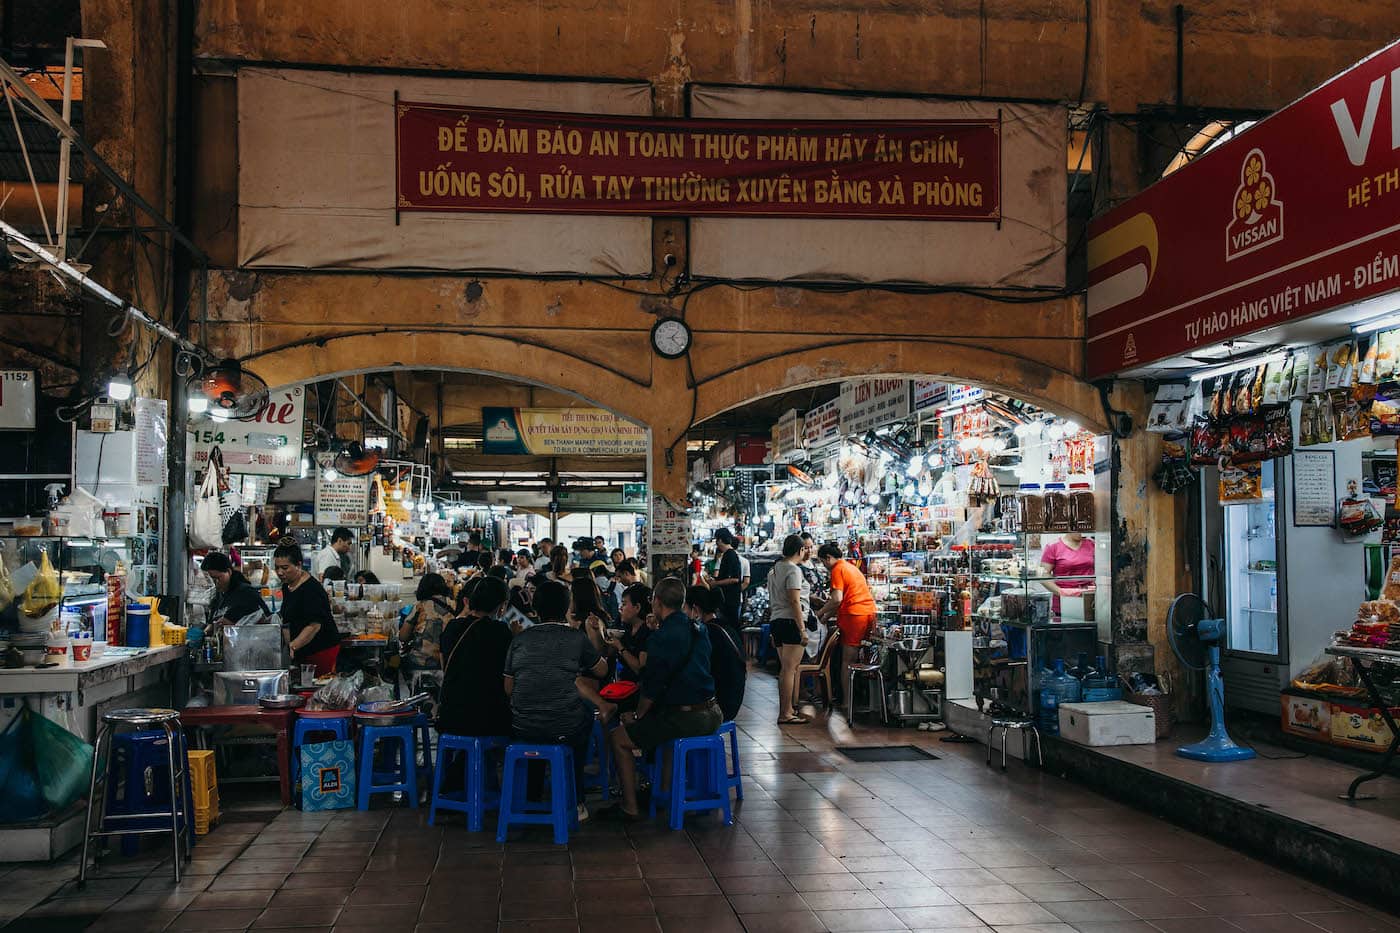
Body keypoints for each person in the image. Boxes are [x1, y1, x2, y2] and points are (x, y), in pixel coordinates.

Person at [599, 577, 721, 822]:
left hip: (686, 717)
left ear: (656, 602)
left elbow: (651, 689)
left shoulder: (660, 638)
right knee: (662, 731)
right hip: (713, 711)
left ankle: (629, 807)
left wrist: (636, 716)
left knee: (619, 737)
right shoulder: (698, 628)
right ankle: (663, 793)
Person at [503, 579, 609, 820]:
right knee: (582, 721)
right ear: (566, 608)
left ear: (536, 609)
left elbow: (508, 688)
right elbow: (601, 671)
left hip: (523, 726)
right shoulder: (575, 638)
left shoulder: (519, 639)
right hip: (565, 726)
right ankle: (577, 798)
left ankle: (532, 796)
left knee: (539, 724)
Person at [437, 576, 513, 738]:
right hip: (487, 719)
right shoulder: (501, 632)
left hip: (449, 716)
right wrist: (518, 637)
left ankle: (462, 759)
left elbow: (445, 667)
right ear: (502, 606)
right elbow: (508, 680)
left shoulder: (452, 627)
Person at [817, 543, 878, 701]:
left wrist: (821, 612)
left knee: (847, 661)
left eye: (823, 562)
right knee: (859, 658)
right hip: (868, 613)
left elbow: (837, 599)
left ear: (829, 558)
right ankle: (858, 699)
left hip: (854, 616)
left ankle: (847, 701)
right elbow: (842, 600)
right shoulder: (850, 567)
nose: (824, 566)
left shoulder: (837, 569)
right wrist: (825, 616)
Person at [273, 539, 342, 675]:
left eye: (285, 568)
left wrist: (292, 646)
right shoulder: (288, 586)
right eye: (277, 568)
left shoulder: (312, 590)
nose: (280, 572)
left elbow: (314, 626)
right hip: (303, 652)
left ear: (299, 565)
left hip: (322, 652)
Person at [769, 534, 812, 724]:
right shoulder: (793, 570)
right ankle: (785, 712)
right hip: (790, 621)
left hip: (777, 621)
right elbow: (794, 600)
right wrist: (802, 629)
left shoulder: (776, 568)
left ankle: (786, 710)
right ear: (800, 550)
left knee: (785, 669)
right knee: (789, 669)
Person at [687, 585, 746, 723]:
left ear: (695, 610)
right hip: (732, 702)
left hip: (719, 708)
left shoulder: (707, 633)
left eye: (683, 608)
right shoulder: (725, 627)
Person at [398, 572, 454, 687]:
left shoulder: (420, 606)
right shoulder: (454, 605)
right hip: (447, 663)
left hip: (420, 662)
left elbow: (403, 636)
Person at [202, 551, 268, 625]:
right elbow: (212, 621)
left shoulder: (247, 593)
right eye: (210, 580)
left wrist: (234, 624)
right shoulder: (219, 594)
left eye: (217, 578)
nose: (215, 583)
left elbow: (265, 620)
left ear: (229, 572)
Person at [605, 582, 653, 682]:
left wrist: (620, 647)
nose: (620, 608)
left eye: (624, 604)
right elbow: (609, 654)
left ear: (637, 608)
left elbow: (640, 670)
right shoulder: (625, 628)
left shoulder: (647, 632)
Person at [1039, 531, 1095, 613]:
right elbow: (1042, 574)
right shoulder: (1053, 546)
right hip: (1064, 600)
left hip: (1088, 597)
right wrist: (1060, 591)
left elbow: (1102, 569)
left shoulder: (1091, 544)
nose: (1080, 533)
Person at [710, 529, 744, 635]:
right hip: (728, 599)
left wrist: (716, 583)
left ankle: (736, 649)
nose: (716, 543)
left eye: (716, 540)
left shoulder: (730, 555)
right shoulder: (728, 554)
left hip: (731, 599)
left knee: (732, 628)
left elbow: (735, 579)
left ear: (720, 540)